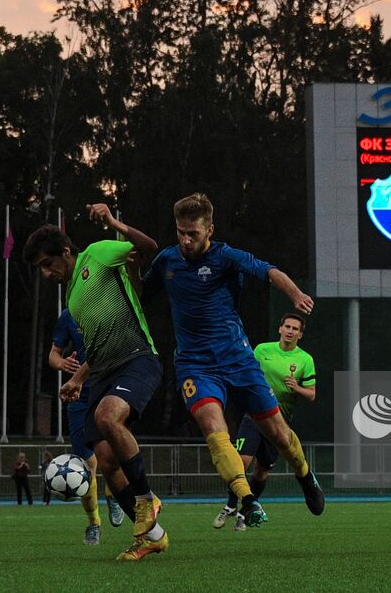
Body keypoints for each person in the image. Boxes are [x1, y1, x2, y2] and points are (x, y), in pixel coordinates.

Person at [144, 193, 324, 531]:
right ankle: (247, 499)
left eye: (192, 233)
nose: (185, 240)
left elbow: (269, 271)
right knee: (215, 431)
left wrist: (296, 294)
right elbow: (139, 296)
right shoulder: (167, 261)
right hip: (195, 365)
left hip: (239, 360)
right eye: (180, 232)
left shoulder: (226, 256)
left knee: (281, 437)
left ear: (209, 229)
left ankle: (305, 476)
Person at [28, 202, 169, 562]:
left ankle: (145, 501)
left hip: (138, 358)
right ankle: (152, 536)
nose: (46, 274)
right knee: (106, 462)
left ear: (64, 252)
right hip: (104, 373)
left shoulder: (98, 254)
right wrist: (77, 378)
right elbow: (97, 347)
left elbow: (150, 248)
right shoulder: (73, 300)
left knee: (108, 418)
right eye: (40, 269)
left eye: (47, 264)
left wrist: (111, 222)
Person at [213, 312, 317, 532]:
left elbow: (312, 394)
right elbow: (248, 373)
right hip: (255, 414)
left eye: (295, 328)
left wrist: (296, 388)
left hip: (280, 421)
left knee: (262, 471)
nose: (290, 331)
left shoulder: (305, 359)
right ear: (280, 329)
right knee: (240, 461)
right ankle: (231, 505)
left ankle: (244, 513)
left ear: (300, 334)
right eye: (287, 326)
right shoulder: (262, 350)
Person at [50, 307, 124, 544]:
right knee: (85, 463)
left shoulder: (111, 307)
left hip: (109, 389)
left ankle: (114, 493)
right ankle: (94, 523)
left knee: (112, 454)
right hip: (79, 397)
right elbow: (53, 354)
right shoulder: (68, 315)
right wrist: (62, 363)